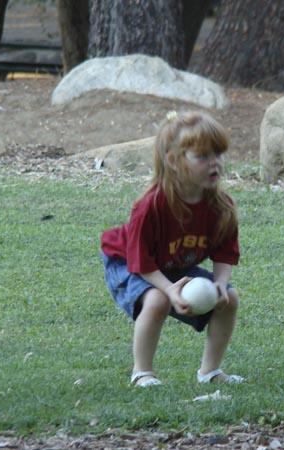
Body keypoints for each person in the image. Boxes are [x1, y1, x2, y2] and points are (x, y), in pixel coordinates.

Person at [100, 110, 245, 387]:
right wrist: (169, 289)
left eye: (219, 154)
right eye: (203, 156)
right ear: (174, 161)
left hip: (173, 263)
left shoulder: (221, 206)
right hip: (128, 261)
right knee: (157, 301)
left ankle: (210, 372)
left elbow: (225, 251)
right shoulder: (151, 206)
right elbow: (141, 260)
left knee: (230, 298)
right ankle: (142, 372)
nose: (215, 163)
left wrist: (220, 283)